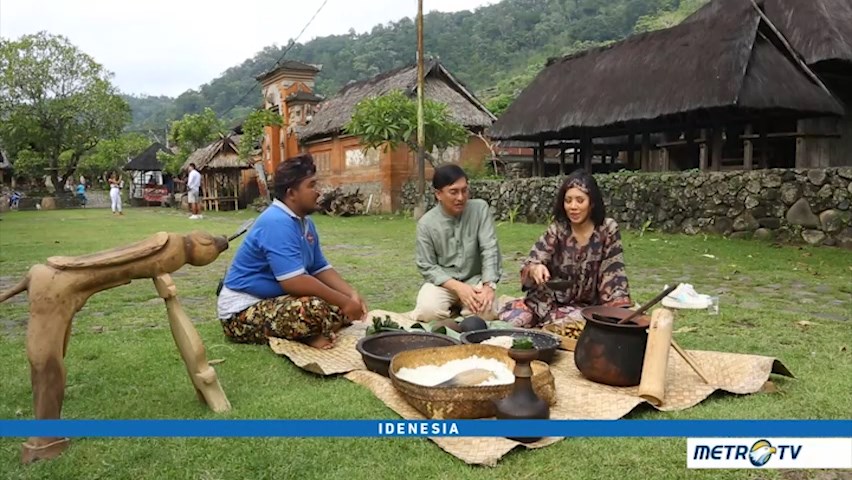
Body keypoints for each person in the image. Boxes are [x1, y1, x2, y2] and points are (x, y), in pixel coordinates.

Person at [216, 154, 368, 349]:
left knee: (333, 306)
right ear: (292, 193)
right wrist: (344, 303)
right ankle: (307, 333)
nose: (318, 192)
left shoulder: (305, 223)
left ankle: (309, 330)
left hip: (274, 301)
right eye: (312, 185)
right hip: (242, 310)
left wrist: (350, 295)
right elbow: (294, 282)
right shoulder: (276, 221)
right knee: (315, 309)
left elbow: (319, 267)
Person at [498, 169, 634, 328]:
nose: (573, 207)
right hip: (546, 303)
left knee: (578, 324)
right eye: (568, 200)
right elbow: (533, 261)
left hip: (586, 308)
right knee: (514, 322)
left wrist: (618, 310)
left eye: (579, 200)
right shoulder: (558, 230)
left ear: (592, 203)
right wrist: (535, 269)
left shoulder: (607, 229)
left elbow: (614, 272)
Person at [413, 164, 502, 322]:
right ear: (438, 194)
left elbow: (489, 248)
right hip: (444, 284)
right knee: (427, 312)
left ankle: (464, 313)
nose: (460, 197)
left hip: (475, 280)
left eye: (464, 190)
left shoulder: (480, 209)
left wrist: (489, 286)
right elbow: (426, 265)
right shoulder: (426, 224)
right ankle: (456, 310)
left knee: (486, 313)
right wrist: (459, 288)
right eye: (453, 192)